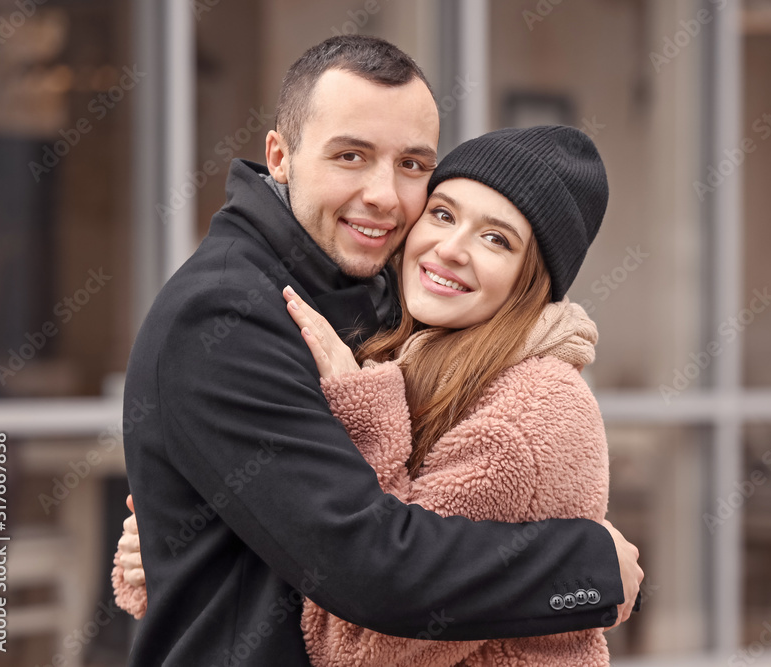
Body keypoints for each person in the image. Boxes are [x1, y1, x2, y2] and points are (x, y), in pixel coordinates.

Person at [116, 34, 642, 666]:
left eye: (413, 166)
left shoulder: (378, 298)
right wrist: (587, 564)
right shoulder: (228, 311)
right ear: (280, 156)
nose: (386, 196)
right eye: (351, 155)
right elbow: (368, 562)